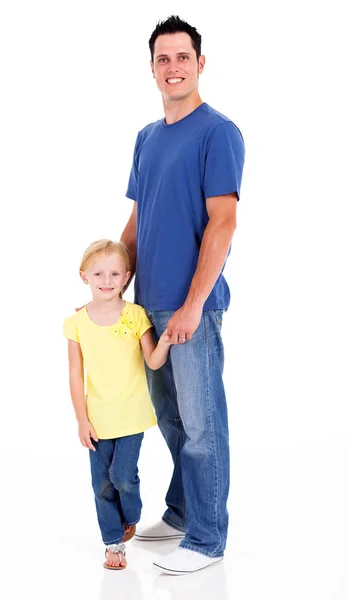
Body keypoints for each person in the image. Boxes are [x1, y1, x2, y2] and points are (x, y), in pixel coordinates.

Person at [120, 16, 245, 575]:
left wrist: (195, 304)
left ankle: (208, 538)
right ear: (152, 68)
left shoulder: (218, 132)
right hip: (147, 305)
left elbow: (223, 222)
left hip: (190, 304)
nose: (173, 67)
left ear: (200, 63)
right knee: (169, 419)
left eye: (182, 57)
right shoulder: (147, 137)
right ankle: (182, 509)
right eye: (162, 59)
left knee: (202, 425)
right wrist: (114, 289)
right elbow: (138, 217)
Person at [63, 239, 172, 570]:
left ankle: (132, 517)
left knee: (123, 476)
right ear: (84, 276)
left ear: (127, 277)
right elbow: (75, 376)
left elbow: (152, 361)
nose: (106, 280)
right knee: (101, 484)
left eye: (114, 273)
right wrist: (82, 420)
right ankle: (114, 544)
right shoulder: (76, 323)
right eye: (98, 273)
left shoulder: (136, 316)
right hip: (97, 418)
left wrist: (165, 339)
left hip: (131, 414)